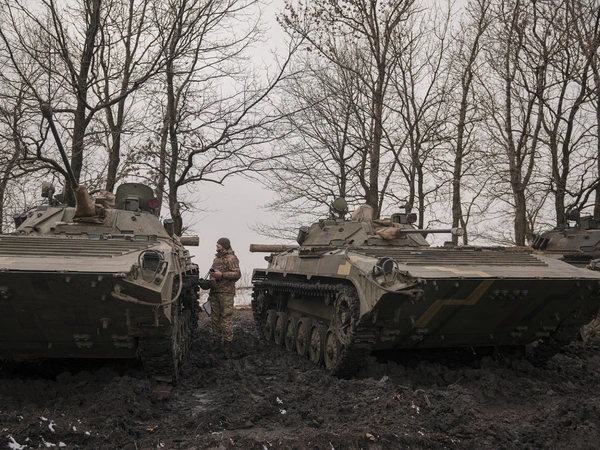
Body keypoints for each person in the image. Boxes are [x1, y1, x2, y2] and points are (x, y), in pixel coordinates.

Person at [208, 237, 241, 354]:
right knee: (215, 319)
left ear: (225, 245)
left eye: (219, 244)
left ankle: (227, 345)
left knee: (225, 318)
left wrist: (222, 275)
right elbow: (212, 276)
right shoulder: (216, 259)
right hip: (215, 292)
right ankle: (216, 343)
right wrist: (210, 291)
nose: (217, 245)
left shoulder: (232, 258)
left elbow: (237, 274)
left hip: (226, 293)